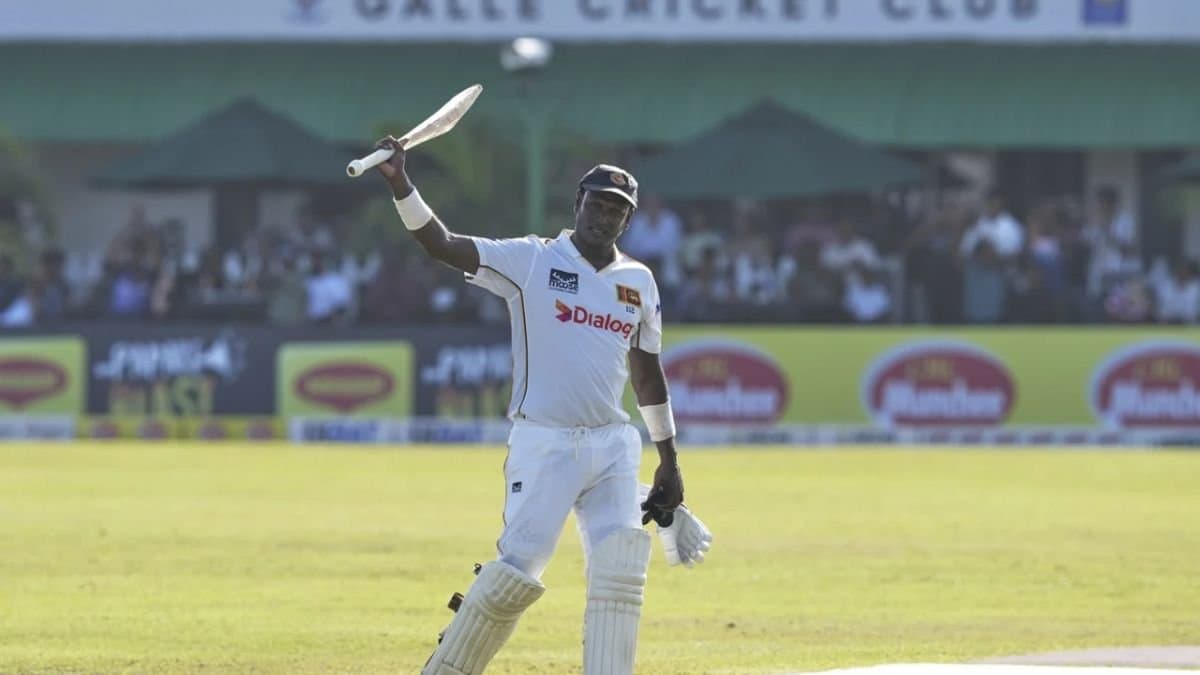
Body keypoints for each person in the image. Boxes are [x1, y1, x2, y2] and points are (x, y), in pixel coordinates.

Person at [373, 136, 702, 675]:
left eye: (617, 210)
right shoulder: (532, 260)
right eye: (597, 203)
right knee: (516, 573)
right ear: (578, 202)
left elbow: (647, 373)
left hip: (613, 446)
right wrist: (400, 182)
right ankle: (448, 666)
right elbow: (441, 243)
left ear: (628, 220)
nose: (604, 216)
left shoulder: (638, 282)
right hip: (544, 440)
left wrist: (669, 460)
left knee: (620, 568)